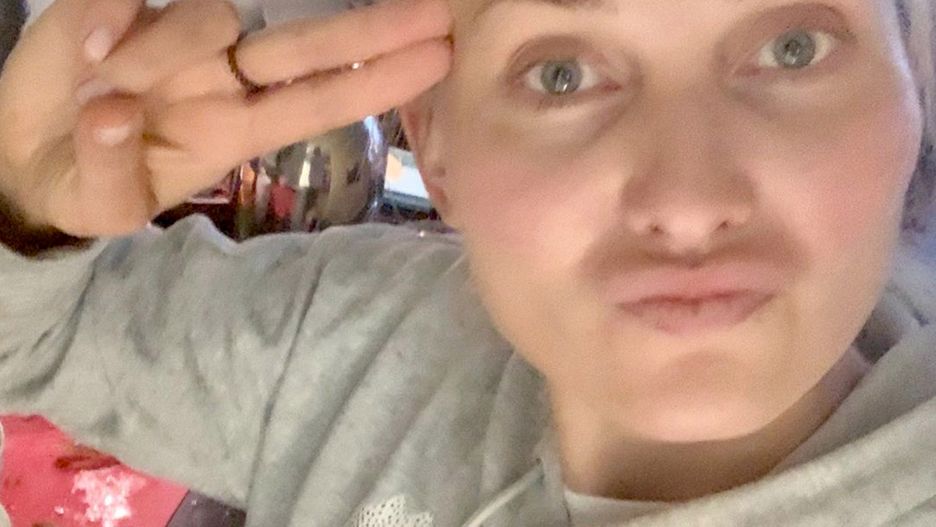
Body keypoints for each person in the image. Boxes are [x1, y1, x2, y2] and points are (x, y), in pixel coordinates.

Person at [0, 0, 935, 526]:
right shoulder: (341, 344)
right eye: (561, 74)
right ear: (435, 148)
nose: (687, 202)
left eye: (793, 48)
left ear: (916, 87)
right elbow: (37, 339)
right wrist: (22, 206)